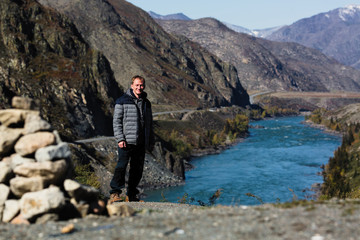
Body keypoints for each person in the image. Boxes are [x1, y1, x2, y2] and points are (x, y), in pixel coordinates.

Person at [109, 75, 154, 203]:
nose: (139, 87)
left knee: (137, 169)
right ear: (132, 85)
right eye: (137, 85)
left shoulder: (146, 103)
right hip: (126, 142)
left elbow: (150, 124)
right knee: (121, 167)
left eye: (141, 85)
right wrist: (120, 139)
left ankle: (131, 195)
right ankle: (115, 193)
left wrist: (150, 141)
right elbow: (116, 121)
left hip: (140, 142)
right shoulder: (122, 101)